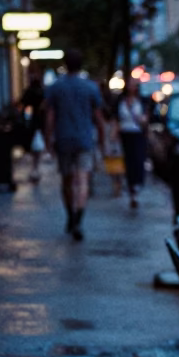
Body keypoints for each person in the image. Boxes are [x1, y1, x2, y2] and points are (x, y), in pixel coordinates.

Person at [44, 49, 105, 242]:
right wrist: (103, 141)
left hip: (63, 139)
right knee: (82, 180)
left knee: (67, 180)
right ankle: (79, 218)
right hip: (84, 139)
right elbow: (98, 118)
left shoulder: (55, 87)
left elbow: (50, 117)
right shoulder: (90, 88)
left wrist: (48, 140)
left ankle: (70, 215)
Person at [116, 80, 148, 207]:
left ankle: (136, 186)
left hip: (137, 133)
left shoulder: (142, 101)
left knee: (138, 159)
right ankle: (131, 186)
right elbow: (115, 117)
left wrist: (143, 121)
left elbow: (146, 118)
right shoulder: (121, 101)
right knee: (128, 161)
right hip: (124, 134)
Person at [19, 67, 46, 182]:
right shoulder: (42, 92)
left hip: (31, 123)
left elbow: (23, 105)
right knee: (37, 146)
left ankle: (34, 168)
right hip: (39, 123)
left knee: (33, 145)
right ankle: (35, 167)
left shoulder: (30, 92)